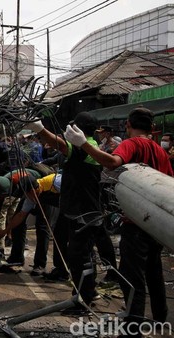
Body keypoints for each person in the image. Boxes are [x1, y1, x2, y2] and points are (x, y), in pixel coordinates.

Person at [64, 107, 173, 334]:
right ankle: (161, 319)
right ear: (152, 128)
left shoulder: (132, 144)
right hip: (156, 223)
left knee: (132, 276)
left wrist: (84, 144)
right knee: (154, 271)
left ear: (127, 125)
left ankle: (133, 324)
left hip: (136, 222)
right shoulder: (161, 152)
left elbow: (113, 162)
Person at [27, 112, 103, 314]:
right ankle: (83, 288)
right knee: (71, 247)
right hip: (74, 209)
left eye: (73, 127)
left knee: (80, 257)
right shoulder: (87, 147)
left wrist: (40, 129)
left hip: (83, 213)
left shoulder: (86, 147)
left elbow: (61, 145)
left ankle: (84, 300)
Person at [0, 173, 61, 276]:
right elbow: (20, 216)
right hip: (50, 200)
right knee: (17, 226)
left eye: (27, 193)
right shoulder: (30, 197)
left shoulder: (55, 182)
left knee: (43, 229)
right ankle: (16, 258)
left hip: (61, 204)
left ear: (33, 190)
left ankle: (40, 265)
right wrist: (5, 231)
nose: (26, 196)